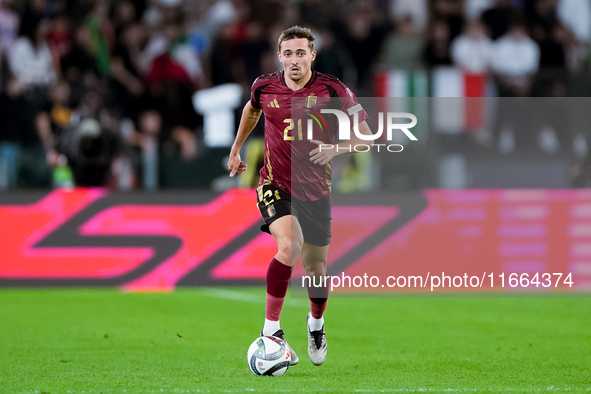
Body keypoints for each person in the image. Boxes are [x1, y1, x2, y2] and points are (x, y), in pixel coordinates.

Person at [226, 25, 373, 367]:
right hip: (274, 185)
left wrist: (334, 149)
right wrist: (236, 150)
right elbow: (252, 111)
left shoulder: (332, 89)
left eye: (301, 53)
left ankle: (316, 324)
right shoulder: (263, 87)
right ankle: (271, 331)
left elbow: (368, 137)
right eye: (288, 53)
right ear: (280, 56)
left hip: (316, 192)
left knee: (316, 269)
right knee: (289, 246)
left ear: (312, 55)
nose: (294, 59)